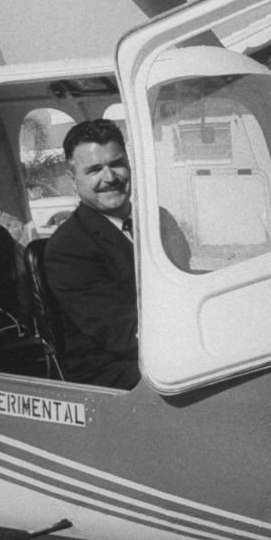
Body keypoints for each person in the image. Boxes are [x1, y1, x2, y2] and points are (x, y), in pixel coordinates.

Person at [44, 119, 190, 389]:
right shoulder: (68, 248)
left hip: (166, 348)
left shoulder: (159, 220)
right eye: (94, 169)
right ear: (72, 178)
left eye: (117, 163)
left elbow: (187, 282)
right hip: (113, 373)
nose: (110, 178)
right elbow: (121, 335)